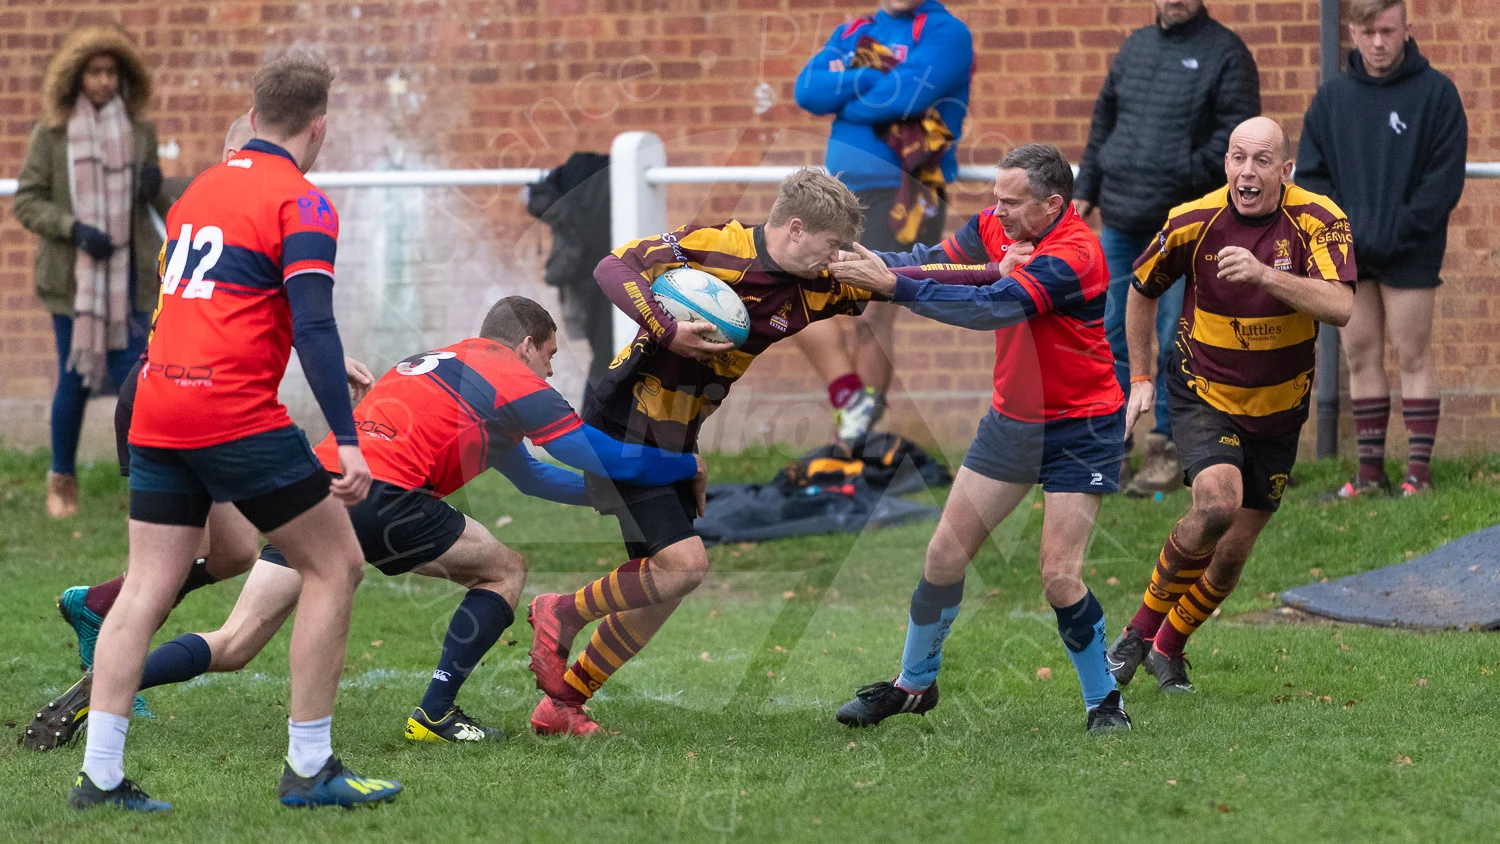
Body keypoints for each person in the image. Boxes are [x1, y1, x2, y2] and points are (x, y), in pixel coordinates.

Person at [24, 297, 706, 750]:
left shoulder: (438, 362)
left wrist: (606, 501)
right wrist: (676, 466)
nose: (553, 368)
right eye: (551, 355)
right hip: (384, 497)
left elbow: (537, 475)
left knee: (235, 641)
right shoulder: (512, 375)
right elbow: (588, 451)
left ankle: (109, 683)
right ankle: (436, 712)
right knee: (506, 568)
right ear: (527, 344)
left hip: (316, 488)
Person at [70, 54, 401, 813]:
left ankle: (101, 776)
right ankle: (310, 768)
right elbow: (314, 322)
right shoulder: (305, 202)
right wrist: (348, 442)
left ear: (251, 119)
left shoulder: (197, 193)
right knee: (336, 563)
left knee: (148, 584)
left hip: (155, 403)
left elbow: (213, 309)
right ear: (320, 127)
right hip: (232, 414)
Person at [525, 169, 874, 735]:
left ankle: (562, 704)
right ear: (795, 228)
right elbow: (613, 266)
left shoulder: (818, 282)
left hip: (674, 437)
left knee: (661, 586)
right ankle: (559, 611)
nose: (838, 256)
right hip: (625, 425)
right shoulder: (720, 246)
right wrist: (665, 328)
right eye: (833, 243)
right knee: (684, 567)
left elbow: (915, 268)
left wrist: (996, 270)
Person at [53, 116, 376, 702]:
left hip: (167, 392)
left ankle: (102, 626)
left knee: (230, 553)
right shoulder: (241, 197)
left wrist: (327, 351)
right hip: (195, 399)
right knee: (324, 562)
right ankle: (308, 758)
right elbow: (234, 312)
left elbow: (231, 305)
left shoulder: (203, 204)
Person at [827, 143, 1133, 734]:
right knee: (943, 555)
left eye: (1013, 202)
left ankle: (1105, 702)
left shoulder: (1075, 254)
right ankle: (914, 686)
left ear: (1053, 204)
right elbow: (936, 262)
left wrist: (893, 288)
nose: (998, 211)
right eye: (996, 197)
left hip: (1081, 425)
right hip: (1012, 421)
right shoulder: (996, 225)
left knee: (1058, 576)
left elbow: (993, 307)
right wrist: (854, 263)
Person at [1106, 118, 1355, 695]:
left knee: (1234, 551)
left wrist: (1266, 274)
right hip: (1204, 391)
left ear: (1285, 171)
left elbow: (1340, 305)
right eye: (1238, 157)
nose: (1248, 171)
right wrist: (1140, 376)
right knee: (1218, 504)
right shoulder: (1192, 220)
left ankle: (1169, 649)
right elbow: (1141, 289)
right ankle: (1138, 633)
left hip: (1279, 406)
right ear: (1225, 166)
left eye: (1263, 160)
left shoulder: (1320, 218)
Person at [1073, 0, 1260, 496]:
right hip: (1120, 221)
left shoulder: (1227, 53)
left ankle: (1168, 447)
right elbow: (1103, 125)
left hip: (1185, 226)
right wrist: (1086, 189)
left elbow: (1234, 140)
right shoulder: (1135, 47)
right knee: (1111, 332)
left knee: (1178, 338)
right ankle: (1110, 448)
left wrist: (1179, 170)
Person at [1296, 0, 1468, 500]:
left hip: (1412, 248)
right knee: (1361, 355)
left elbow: (1444, 180)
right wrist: (1345, 232)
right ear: (1352, 30)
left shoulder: (1436, 95)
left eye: (1388, 31)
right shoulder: (1331, 100)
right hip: (1350, 252)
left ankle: (1419, 475)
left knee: (1413, 353)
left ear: (1405, 29)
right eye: (1368, 32)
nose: (1378, 43)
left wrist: (1399, 227)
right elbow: (1312, 177)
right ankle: (1369, 475)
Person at [792, 0, 973, 444]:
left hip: (905, 193)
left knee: (869, 311)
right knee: (791, 290)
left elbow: (905, 96)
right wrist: (868, 77)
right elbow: (808, 91)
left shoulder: (946, 33)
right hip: (837, 189)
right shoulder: (855, 30)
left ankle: (856, 439)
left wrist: (848, 96)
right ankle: (850, 398)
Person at [14, 24, 170, 519]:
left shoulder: (141, 131)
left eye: (111, 72)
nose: (104, 81)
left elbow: (159, 205)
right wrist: (74, 228)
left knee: (137, 379)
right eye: (94, 72)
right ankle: (61, 478)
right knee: (74, 380)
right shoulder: (52, 133)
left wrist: (154, 185)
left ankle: (148, 481)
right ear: (76, 77)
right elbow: (27, 201)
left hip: (130, 281)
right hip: (73, 284)